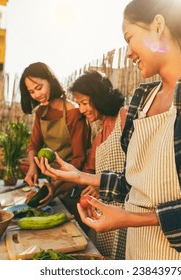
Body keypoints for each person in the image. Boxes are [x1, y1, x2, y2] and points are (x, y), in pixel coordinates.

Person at [35, 0, 181, 260]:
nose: (128, 52)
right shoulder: (143, 99)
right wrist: (82, 177)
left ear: (158, 26)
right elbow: (136, 184)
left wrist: (129, 218)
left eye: (129, 38)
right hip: (137, 252)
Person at [19, 62, 90, 229]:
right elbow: (34, 146)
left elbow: (79, 160)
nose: (36, 94)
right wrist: (32, 168)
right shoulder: (41, 113)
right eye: (31, 91)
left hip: (73, 185)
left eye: (39, 87)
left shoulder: (73, 112)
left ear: (50, 80)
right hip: (53, 185)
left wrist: (55, 187)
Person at [69, 70, 127, 260]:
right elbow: (89, 173)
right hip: (104, 217)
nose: (81, 109)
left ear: (99, 97)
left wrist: (103, 186)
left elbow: (142, 167)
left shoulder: (124, 119)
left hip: (126, 214)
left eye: (84, 102)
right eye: (79, 104)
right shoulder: (98, 137)